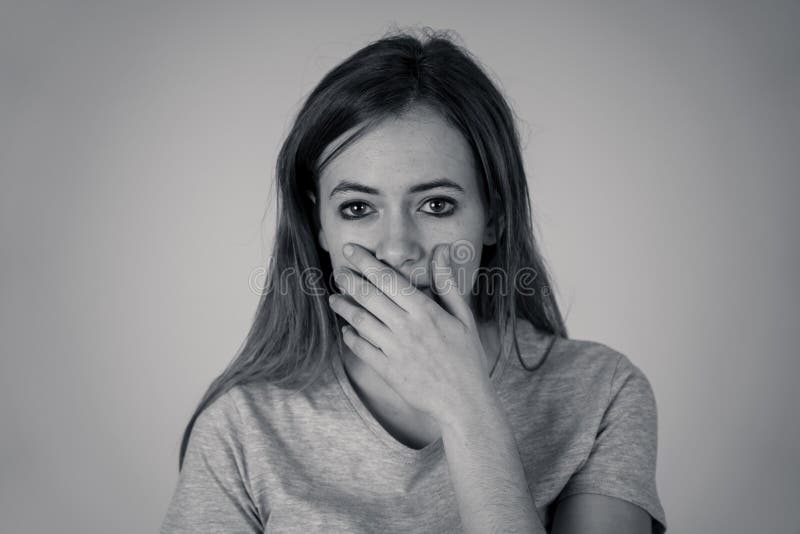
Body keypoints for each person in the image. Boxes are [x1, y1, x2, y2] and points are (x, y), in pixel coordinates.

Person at [160, 28, 667, 534]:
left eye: (436, 205)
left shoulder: (603, 393)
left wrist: (466, 407)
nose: (398, 248)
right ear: (320, 226)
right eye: (358, 208)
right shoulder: (240, 430)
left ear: (495, 215)